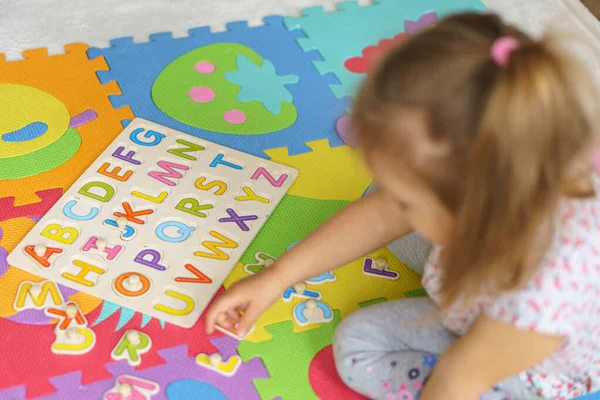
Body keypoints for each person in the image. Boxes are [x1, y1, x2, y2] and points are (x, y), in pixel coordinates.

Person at [206, 12, 600, 400]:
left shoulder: (533, 301)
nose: (392, 205)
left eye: (405, 203)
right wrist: (277, 277)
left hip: (524, 366)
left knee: (359, 346)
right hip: (489, 263)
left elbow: (457, 380)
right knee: (392, 194)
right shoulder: (523, 156)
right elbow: (383, 213)